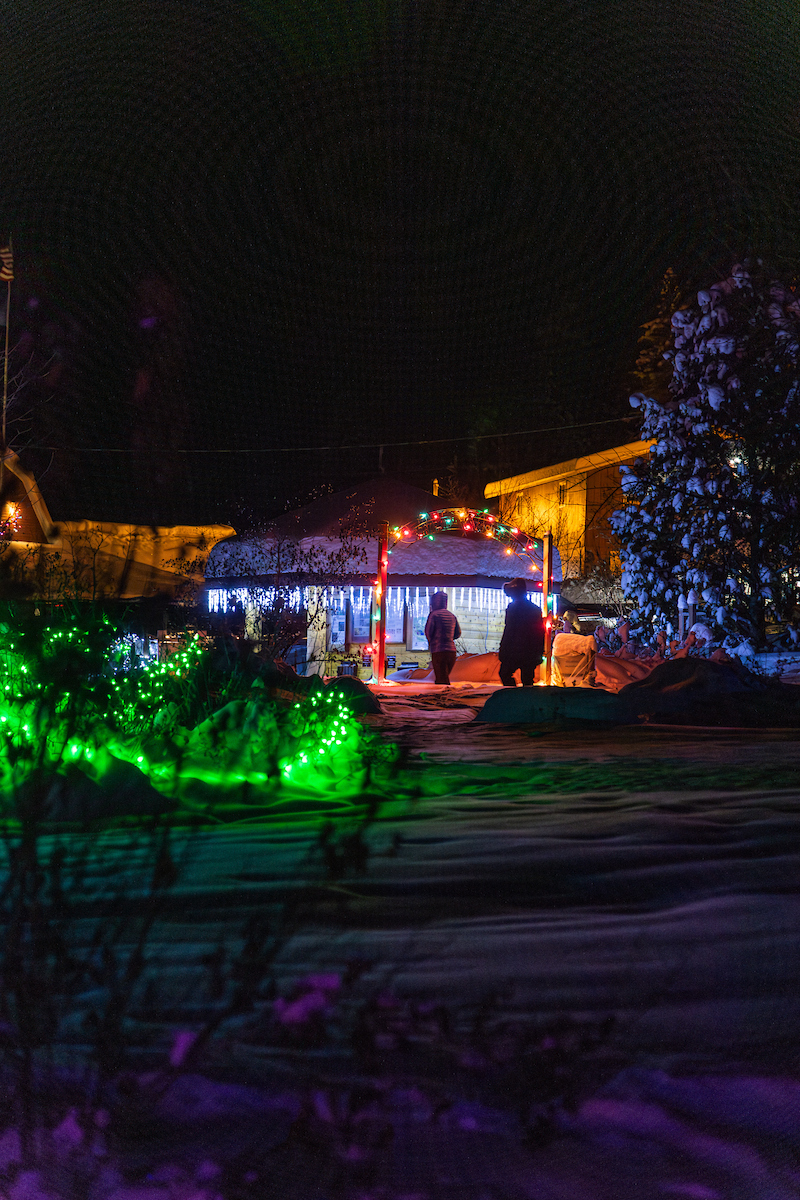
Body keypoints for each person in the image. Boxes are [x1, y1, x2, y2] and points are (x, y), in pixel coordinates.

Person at [498, 578, 545, 687]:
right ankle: (526, 701)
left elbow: (509, 630)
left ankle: (513, 696)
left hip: (515, 651)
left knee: (505, 673)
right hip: (530, 651)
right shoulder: (535, 609)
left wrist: (503, 649)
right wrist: (539, 651)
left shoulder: (513, 607)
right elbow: (540, 631)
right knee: (527, 679)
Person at [424, 591, 461, 685]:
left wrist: (432, 642)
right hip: (451, 651)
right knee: (445, 677)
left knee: (441, 678)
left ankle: (442, 697)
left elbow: (428, 632)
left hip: (438, 650)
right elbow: (458, 633)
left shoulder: (433, 615)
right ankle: (444, 695)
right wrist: (448, 638)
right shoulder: (452, 616)